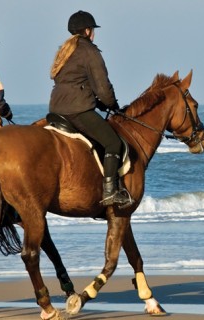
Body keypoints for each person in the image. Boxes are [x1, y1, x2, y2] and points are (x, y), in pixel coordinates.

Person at [49, 10, 132, 208]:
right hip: (77, 110)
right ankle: (110, 191)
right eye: (92, 30)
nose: (93, 33)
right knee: (113, 143)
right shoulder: (89, 51)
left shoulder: (65, 50)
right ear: (87, 31)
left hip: (56, 108)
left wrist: (99, 102)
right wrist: (112, 104)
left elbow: (74, 82)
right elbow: (102, 87)